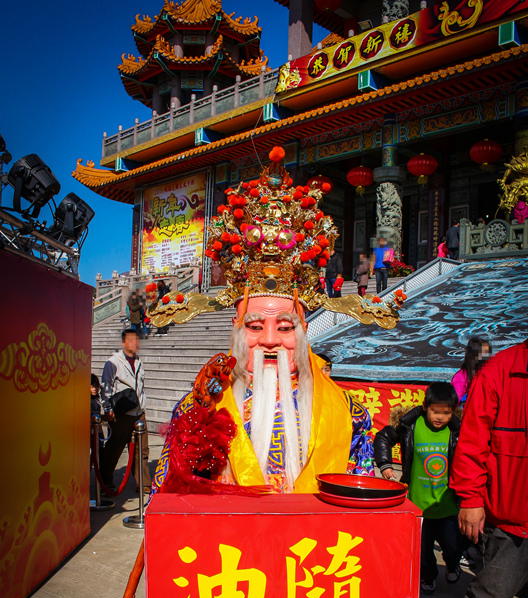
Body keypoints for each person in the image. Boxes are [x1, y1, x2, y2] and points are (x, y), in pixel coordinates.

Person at [147, 147, 405, 496]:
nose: (269, 339)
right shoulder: (201, 406)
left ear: (304, 329)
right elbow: (171, 493)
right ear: (237, 329)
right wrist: (197, 428)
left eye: (285, 328)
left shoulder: (347, 414)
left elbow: (354, 499)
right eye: (255, 327)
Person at [448, 309, 528, 598]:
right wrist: (470, 498)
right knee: (493, 594)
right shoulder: (502, 370)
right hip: (515, 513)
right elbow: (471, 440)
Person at [374, 382, 466, 594]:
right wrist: (386, 466)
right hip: (418, 505)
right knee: (423, 550)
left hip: (448, 506)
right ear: (425, 406)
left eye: (446, 413)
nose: (440, 417)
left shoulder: (459, 432)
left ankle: (452, 565)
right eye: (436, 411)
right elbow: (383, 438)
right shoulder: (410, 425)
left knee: (453, 547)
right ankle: (428, 576)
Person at [99, 328, 151, 493]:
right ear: (123, 343)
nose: (135, 343)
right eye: (131, 340)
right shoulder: (113, 363)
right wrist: (107, 408)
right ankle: (106, 480)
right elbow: (105, 388)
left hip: (139, 413)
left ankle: (144, 484)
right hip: (122, 414)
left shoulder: (139, 362)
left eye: (137, 340)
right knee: (115, 448)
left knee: (141, 450)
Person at [451, 336, 492, 406]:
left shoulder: (486, 374)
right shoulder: (461, 377)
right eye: (483, 353)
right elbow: (455, 402)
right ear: (473, 355)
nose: (487, 357)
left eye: (488, 353)